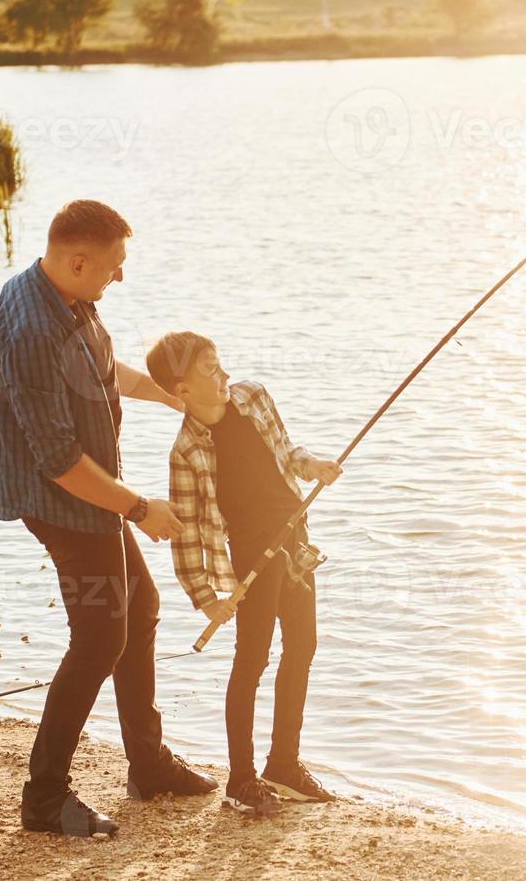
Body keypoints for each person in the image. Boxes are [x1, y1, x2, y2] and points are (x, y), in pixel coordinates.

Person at [0, 200, 217, 838]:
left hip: (90, 495)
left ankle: (146, 765)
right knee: (97, 639)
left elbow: (98, 371)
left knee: (138, 610)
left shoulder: (63, 294)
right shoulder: (34, 327)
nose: (120, 278)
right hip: (61, 501)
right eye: (114, 267)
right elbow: (59, 462)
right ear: (78, 259)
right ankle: (44, 799)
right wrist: (140, 508)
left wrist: (171, 398)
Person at [145, 330, 342, 817]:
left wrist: (312, 465)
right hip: (250, 556)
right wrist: (206, 596)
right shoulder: (186, 452)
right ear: (181, 391)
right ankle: (242, 778)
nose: (225, 375)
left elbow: (286, 453)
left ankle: (284, 765)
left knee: (303, 645)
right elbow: (187, 531)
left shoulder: (253, 396)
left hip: (294, 536)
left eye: (220, 363)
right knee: (251, 659)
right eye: (210, 370)